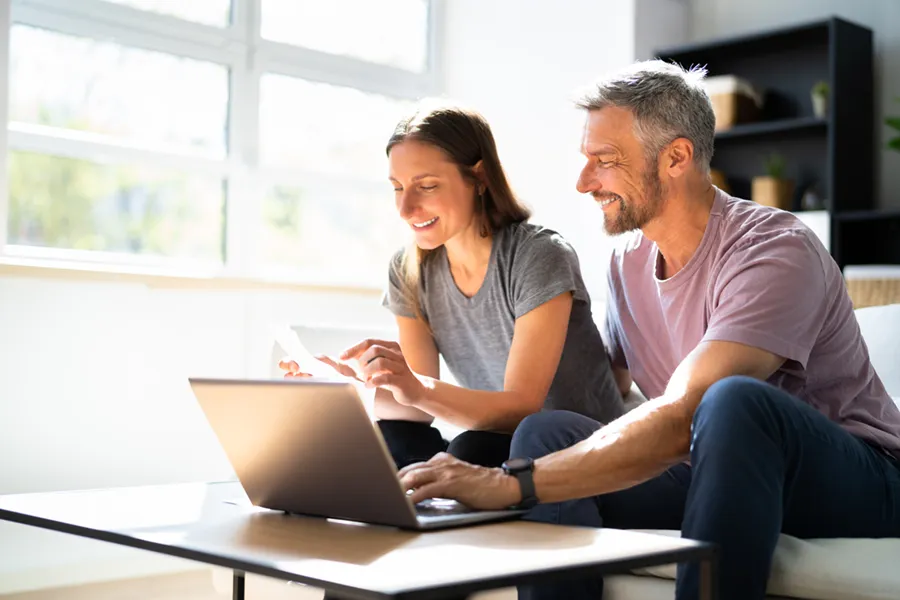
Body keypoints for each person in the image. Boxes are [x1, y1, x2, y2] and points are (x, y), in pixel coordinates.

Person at [396, 62, 900, 600]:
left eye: (605, 162)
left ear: (676, 157)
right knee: (545, 435)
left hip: (856, 477)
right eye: (586, 161)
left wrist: (508, 485)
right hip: (713, 470)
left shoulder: (773, 248)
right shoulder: (626, 263)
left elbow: (687, 411)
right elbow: (600, 391)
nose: (584, 182)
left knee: (731, 403)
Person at [282, 102, 625, 471]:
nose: (406, 208)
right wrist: (348, 388)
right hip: (498, 442)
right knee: (391, 438)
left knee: (471, 449)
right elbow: (414, 403)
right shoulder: (408, 269)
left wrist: (415, 387)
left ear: (478, 178)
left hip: (575, 445)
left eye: (426, 186)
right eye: (397, 188)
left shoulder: (538, 255)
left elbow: (522, 408)